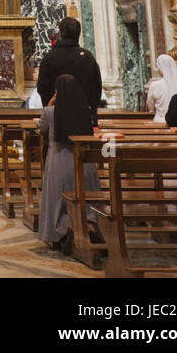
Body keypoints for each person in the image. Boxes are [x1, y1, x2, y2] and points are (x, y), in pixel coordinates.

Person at [37, 74, 100, 252]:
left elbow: (41, 129)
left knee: (57, 199)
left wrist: (49, 104)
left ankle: (59, 231)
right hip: (83, 162)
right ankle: (90, 224)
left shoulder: (50, 112)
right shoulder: (85, 110)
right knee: (85, 196)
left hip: (58, 161)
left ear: (57, 92)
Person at [37, 17, 102, 122]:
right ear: (78, 34)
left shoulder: (50, 57)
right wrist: (91, 109)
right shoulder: (87, 57)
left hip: (57, 117)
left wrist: (49, 108)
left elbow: (42, 87)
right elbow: (96, 87)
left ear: (61, 34)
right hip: (83, 116)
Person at [145, 53, 177, 125]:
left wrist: (153, 110)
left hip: (160, 120)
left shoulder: (155, 85)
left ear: (160, 68)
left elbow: (150, 105)